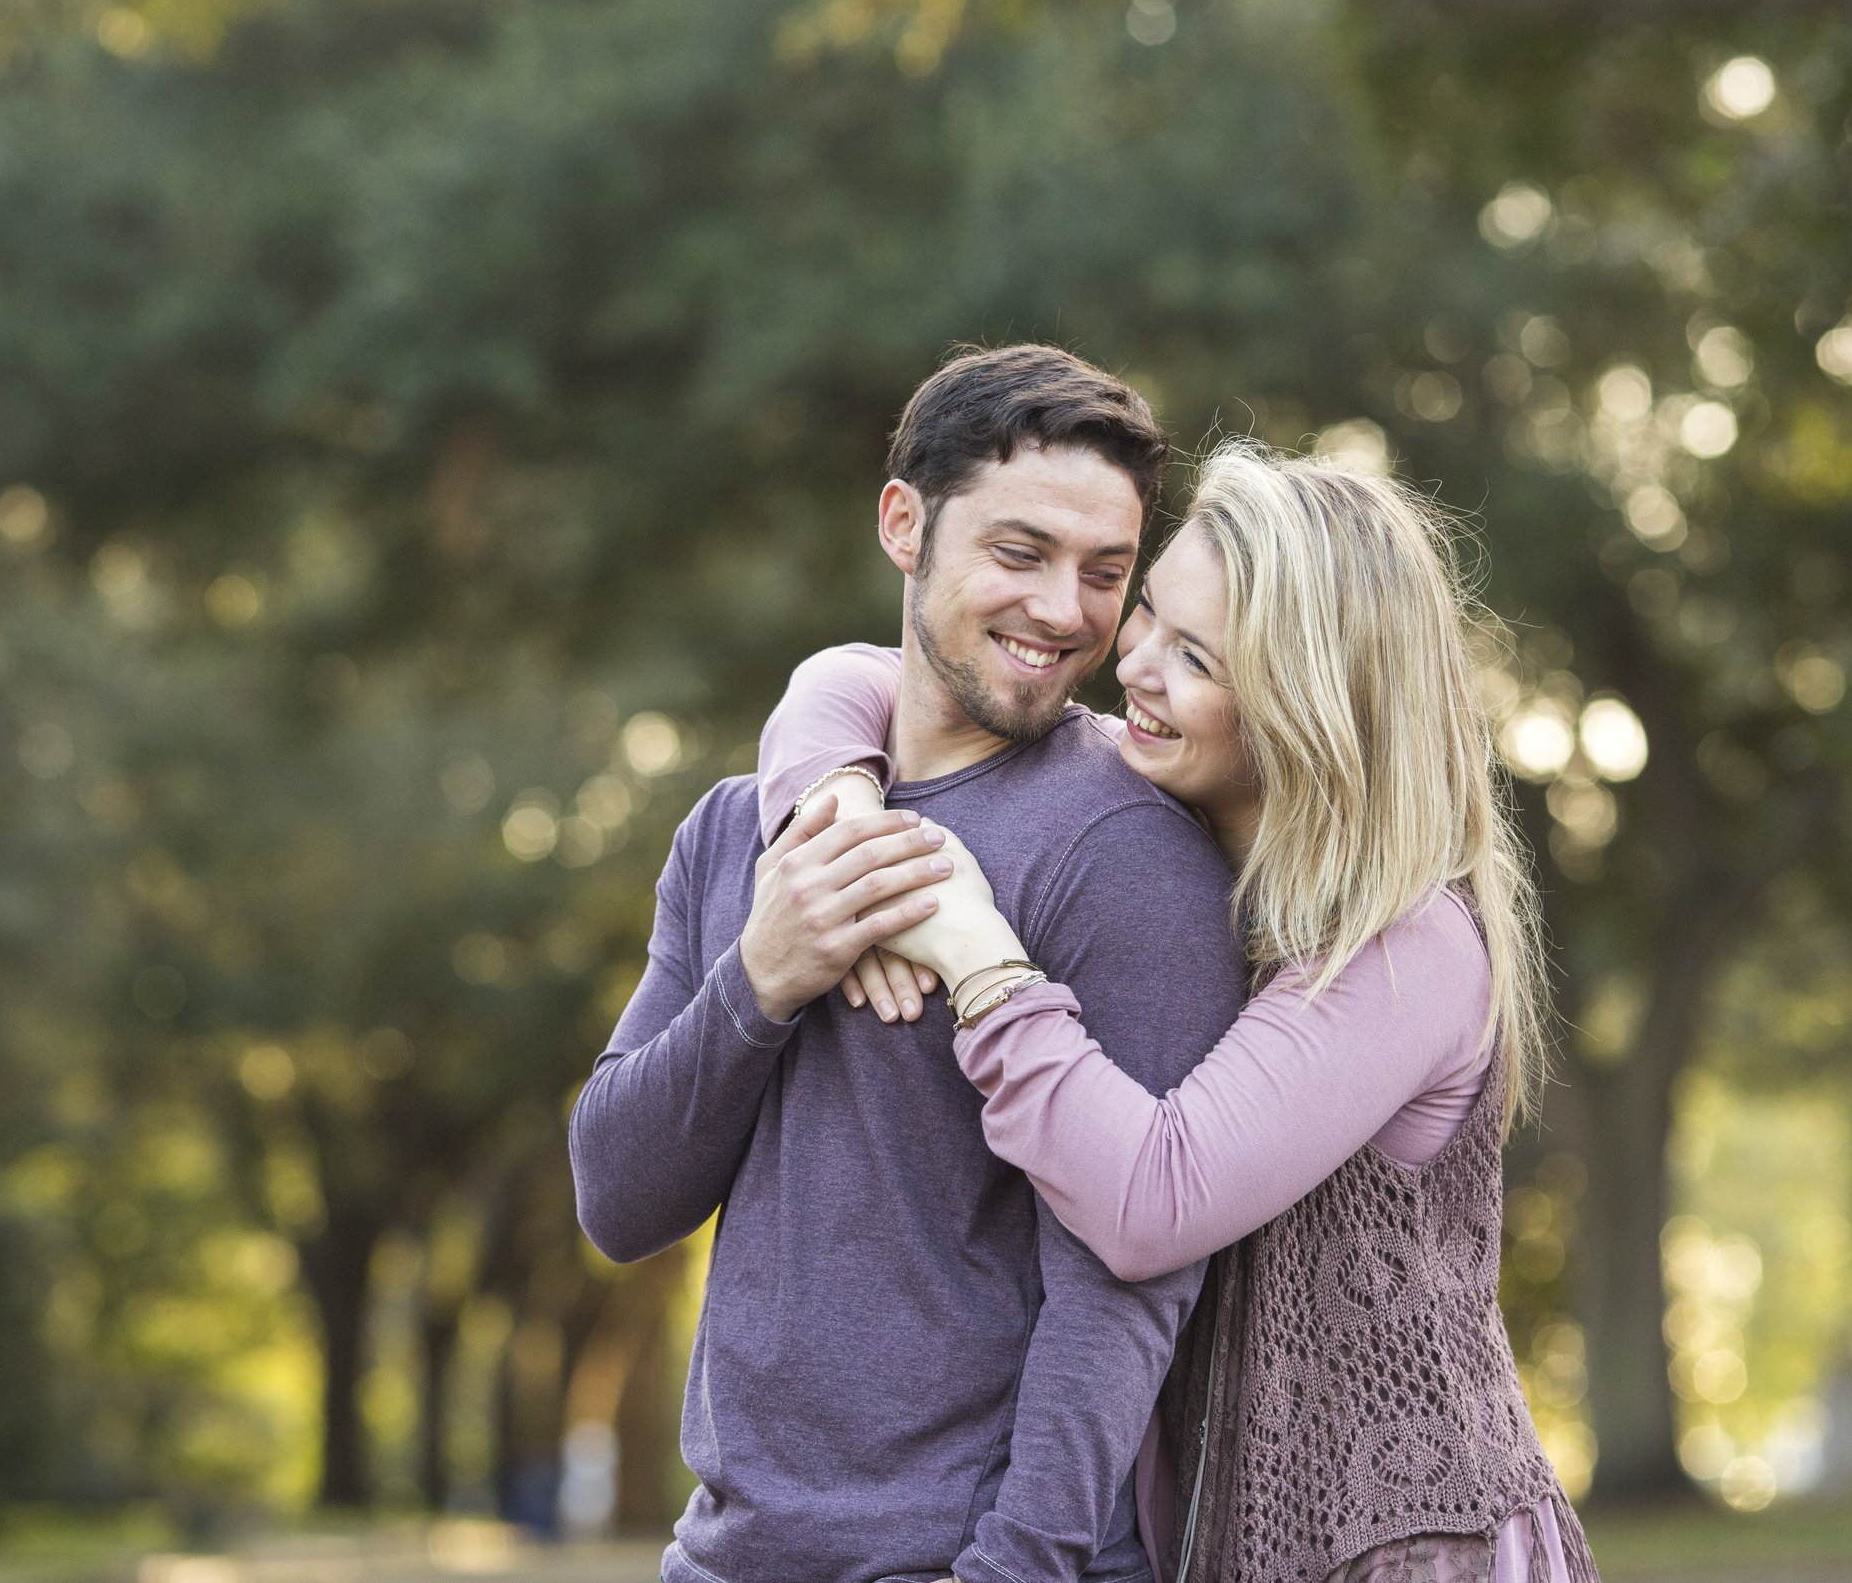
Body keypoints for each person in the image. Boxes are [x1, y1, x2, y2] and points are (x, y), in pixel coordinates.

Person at [758, 443, 1599, 1583]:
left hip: (1407, 1545)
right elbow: (848, 677)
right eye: (1148, 612)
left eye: (1195, 657)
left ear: (1307, 705)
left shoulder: (1407, 942)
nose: (1132, 663)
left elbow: (1153, 1196)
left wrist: (979, 957)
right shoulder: (1173, 802)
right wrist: (837, 804)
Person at [569, 345, 1250, 1583]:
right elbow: (617, 1199)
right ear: (904, 523)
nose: (1065, 609)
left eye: (1106, 573)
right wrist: (761, 976)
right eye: (1018, 552)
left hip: (973, 1562)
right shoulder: (745, 828)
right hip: (724, 1553)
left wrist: (1010, 1571)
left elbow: (1126, 1279)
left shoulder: (1127, 850)